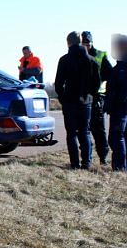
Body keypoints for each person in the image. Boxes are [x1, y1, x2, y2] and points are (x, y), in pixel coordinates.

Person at [54, 31, 101, 170]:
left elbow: (58, 84)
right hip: (85, 102)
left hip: (69, 101)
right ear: (80, 41)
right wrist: (90, 95)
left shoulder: (64, 60)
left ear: (68, 42)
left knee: (72, 134)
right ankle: (86, 162)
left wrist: (63, 98)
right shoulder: (92, 60)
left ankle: (75, 163)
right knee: (85, 132)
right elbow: (96, 83)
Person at [81, 31, 113, 166]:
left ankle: (103, 157)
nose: (86, 46)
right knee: (84, 129)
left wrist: (98, 82)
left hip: (97, 97)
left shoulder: (100, 55)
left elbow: (110, 74)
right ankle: (86, 158)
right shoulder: (79, 55)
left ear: (92, 42)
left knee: (98, 129)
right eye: (84, 43)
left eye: (88, 43)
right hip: (83, 96)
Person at [105, 34, 127, 171]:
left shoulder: (122, 69)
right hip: (119, 108)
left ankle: (120, 168)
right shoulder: (118, 67)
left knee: (117, 137)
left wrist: (114, 103)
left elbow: (122, 91)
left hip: (120, 109)